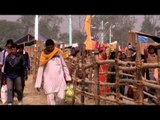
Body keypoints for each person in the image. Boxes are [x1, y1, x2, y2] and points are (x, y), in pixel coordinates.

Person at [35, 39, 72, 105]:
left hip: (60, 81)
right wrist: (38, 84)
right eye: (48, 47)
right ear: (46, 47)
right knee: (50, 99)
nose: (50, 49)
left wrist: (68, 78)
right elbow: (40, 70)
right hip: (49, 82)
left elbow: (64, 66)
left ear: (54, 46)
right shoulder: (43, 56)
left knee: (61, 98)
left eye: (51, 47)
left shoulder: (58, 54)